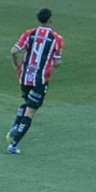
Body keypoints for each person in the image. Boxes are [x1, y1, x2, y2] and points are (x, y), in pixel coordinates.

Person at [7, 8, 65, 154]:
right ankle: (13, 144)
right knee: (30, 112)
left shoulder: (29, 33)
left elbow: (14, 51)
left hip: (25, 76)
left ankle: (16, 126)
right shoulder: (57, 39)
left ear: (38, 20)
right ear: (50, 20)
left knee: (27, 104)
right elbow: (57, 63)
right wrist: (54, 63)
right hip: (40, 79)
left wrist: (16, 65)